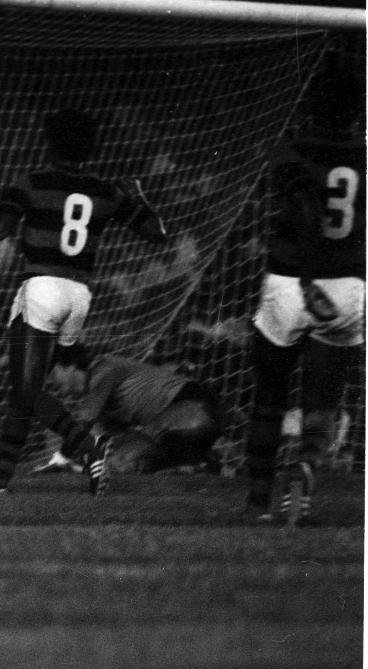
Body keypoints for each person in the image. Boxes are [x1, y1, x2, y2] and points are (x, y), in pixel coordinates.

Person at [0, 107, 168, 495]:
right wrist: (142, 201)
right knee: (24, 388)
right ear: (91, 146)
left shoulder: (31, 181)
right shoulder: (107, 191)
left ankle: (87, 449)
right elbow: (156, 234)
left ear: (50, 142)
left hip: (43, 287)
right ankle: (0, 478)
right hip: (79, 297)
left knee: (27, 391)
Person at [243, 58, 364, 525]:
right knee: (323, 400)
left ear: (311, 104)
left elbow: (308, 210)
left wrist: (311, 276)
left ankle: (257, 502)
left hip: (295, 280)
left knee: (270, 395)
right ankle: (307, 470)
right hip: (349, 285)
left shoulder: (290, 149)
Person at [33, 346, 222, 474]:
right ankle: (204, 463)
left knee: (125, 460)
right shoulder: (104, 401)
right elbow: (110, 439)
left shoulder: (104, 370)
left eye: (52, 373)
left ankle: (197, 463)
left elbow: (84, 421)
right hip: (183, 424)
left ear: (71, 365)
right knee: (118, 463)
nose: (49, 382)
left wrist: (62, 457)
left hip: (195, 408)